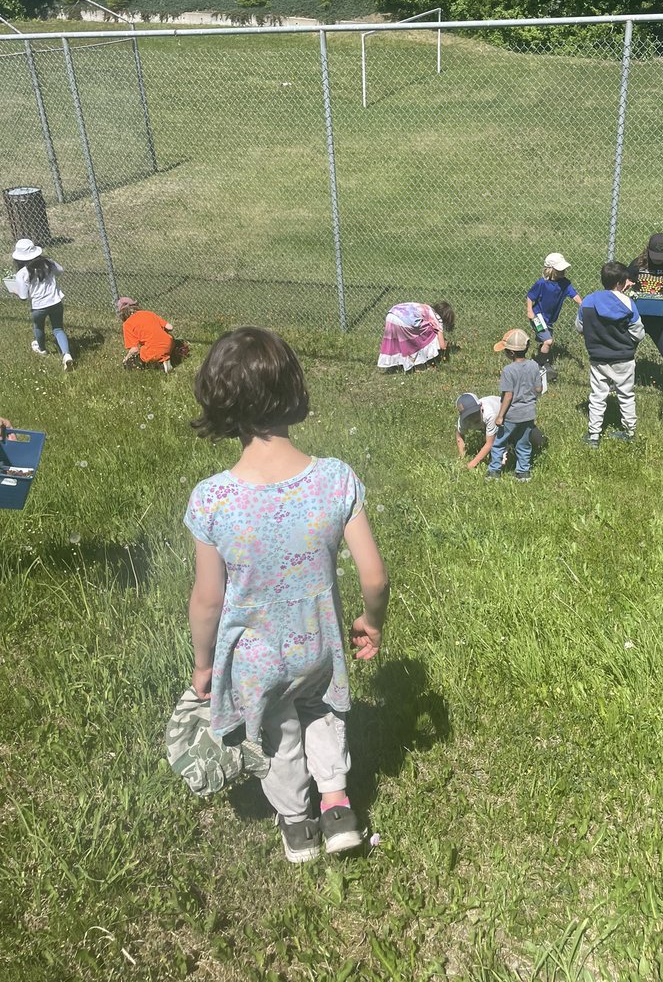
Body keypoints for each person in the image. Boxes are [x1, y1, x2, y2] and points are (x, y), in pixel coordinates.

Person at [184, 326, 389, 863]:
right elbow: (375, 576)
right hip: (318, 642)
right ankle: (338, 806)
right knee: (323, 710)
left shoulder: (213, 499)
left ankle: (297, 825)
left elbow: (207, 600)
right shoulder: (334, 479)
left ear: (218, 399)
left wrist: (204, 665)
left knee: (278, 729)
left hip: (255, 656)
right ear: (294, 389)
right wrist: (372, 621)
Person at [576, 261, 645, 445]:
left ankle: (594, 436)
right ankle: (630, 432)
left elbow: (580, 327)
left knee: (597, 396)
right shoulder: (628, 303)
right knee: (626, 395)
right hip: (623, 358)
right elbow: (639, 333)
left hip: (598, 358)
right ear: (620, 284)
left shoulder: (588, 301)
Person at [626, 233, 663, 378]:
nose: (658, 260)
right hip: (636, 317)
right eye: (655, 256)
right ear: (647, 251)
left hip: (661, 318)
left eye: (662, 257)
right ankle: (615, 383)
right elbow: (626, 282)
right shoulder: (637, 264)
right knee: (624, 352)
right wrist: (628, 289)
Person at [486, 329, 542, 482]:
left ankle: (494, 471)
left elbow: (508, 395)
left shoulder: (508, 370)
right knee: (523, 444)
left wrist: (500, 416)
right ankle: (523, 473)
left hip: (511, 415)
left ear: (510, 353)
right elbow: (539, 389)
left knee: (499, 443)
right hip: (528, 414)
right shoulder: (534, 365)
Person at [10, 239, 73, 370]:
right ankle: (67, 355)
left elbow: (23, 296)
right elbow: (60, 271)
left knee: (38, 327)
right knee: (58, 329)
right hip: (56, 302)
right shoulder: (48, 263)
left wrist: (14, 290)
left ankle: (42, 349)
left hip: (38, 307)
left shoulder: (22, 274)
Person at [525, 252, 582, 379]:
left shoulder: (565, 283)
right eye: (559, 270)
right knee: (548, 341)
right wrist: (530, 311)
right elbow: (530, 296)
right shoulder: (541, 284)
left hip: (549, 319)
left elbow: (574, 295)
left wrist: (582, 304)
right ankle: (539, 365)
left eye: (564, 270)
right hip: (537, 318)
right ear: (549, 270)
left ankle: (542, 361)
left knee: (544, 341)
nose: (563, 273)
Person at [455, 392, 545, 470]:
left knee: (539, 442)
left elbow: (489, 443)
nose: (473, 418)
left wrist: (472, 464)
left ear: (481, 406)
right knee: (502, 463)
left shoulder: (489, 414)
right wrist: (462, 457)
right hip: (495, 425)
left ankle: (512, 443)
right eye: (469, 416)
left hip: (513, 415)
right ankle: (507, 445)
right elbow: (459, 435)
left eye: (474, 413)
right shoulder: (464, 420)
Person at [377, 301, 455, 372]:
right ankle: (418, 363)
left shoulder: (426, 307)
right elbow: (442, 346)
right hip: (404, 320)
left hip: (392, 314)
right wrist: (446, 344)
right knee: (432, 333)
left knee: (397, 342)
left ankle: (394, 364)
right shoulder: (437, 318)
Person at [117, 297, 180, 372]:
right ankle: (168, 358)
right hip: (169, 344)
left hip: (154, 351)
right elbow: (170, 327)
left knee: (132, 362)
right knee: (167, 340)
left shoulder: (127, 324)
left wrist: (126, 359)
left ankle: (160, 366)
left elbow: (134, 349)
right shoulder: (149, 313)